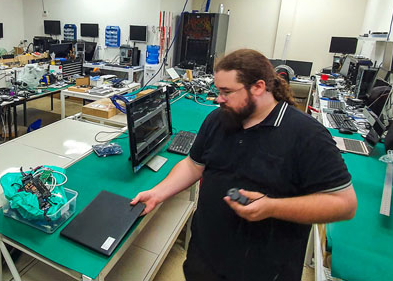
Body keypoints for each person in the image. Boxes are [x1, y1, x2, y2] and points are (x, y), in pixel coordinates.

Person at [131, 49, 357, 281]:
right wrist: (158, 193)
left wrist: (271, 207)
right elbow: (193, 165)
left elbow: (344, 204)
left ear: (258, 87)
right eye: (219, 90)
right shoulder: (218, 119)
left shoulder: (308, 135)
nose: (219, 98)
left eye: (227, 92)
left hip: (264, 269)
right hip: (205, 260)